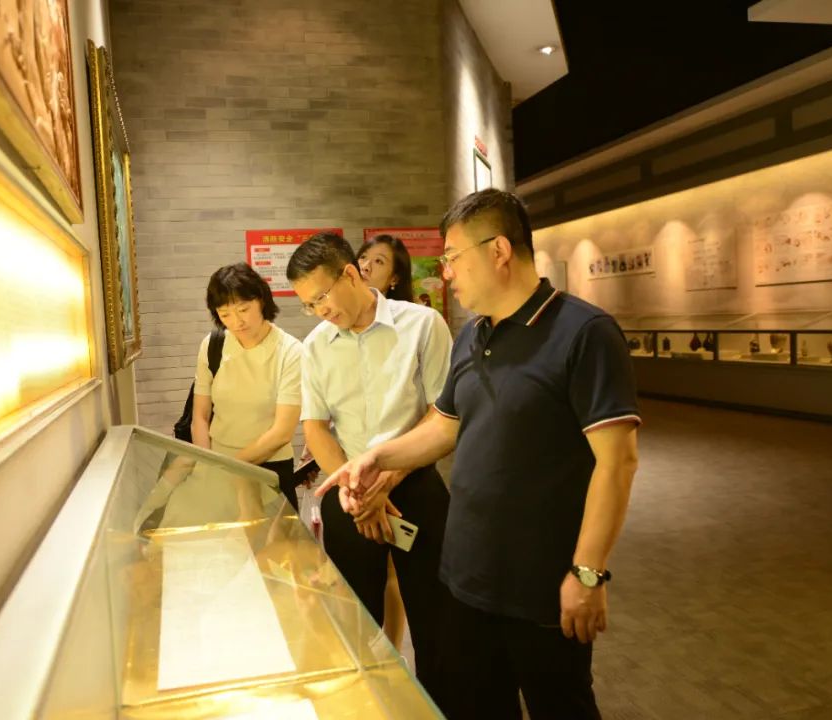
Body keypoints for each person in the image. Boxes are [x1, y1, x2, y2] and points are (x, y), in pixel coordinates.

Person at [319, 189, 641, 720]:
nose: (445, 272)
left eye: (452, 257)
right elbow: (445, 426)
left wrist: (588, 573)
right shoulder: (473, 334)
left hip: (541, 583)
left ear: (498, 251)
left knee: (560, 706)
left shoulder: (584, 333)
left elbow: (618, 461)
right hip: (465, 577)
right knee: (476, 704)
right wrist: (376, 458)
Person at [286, 232, 452, 691]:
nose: (320, 310)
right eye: (308, 304)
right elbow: (316, 427)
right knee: (355, 625)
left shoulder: (422, 324)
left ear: (349, 274)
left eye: (322, 296)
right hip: (350, 497)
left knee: (436, 623)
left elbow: (441, 414)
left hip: (414, 485)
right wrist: (355, 487)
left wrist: (386, 480)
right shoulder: (316, 345)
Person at [190, 263, 303, 510]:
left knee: (274, 535)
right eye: (225, 314)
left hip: (270, 467)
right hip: (218, 461)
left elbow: (282, 432)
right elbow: (200, 415)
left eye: (243, 309)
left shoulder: (291, 351)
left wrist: (232, 466)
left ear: (261, 300)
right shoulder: (213, 345)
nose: (237, 322)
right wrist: (207, 463)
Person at [355, 233, 416, 651]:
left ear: (395, 278)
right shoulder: (337, 329)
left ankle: (392, 648)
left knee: (394, 566)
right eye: (363, 258)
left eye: (378, 262)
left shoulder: (413, 325)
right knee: (362, 572)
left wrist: (388, 479)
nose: (366, 266)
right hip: (355, 474)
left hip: (402, 469)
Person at [357, 234, 414, 302]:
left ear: (394, 279)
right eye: (363, 257)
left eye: (378, 261)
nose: (365, 267)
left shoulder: (407, 308)